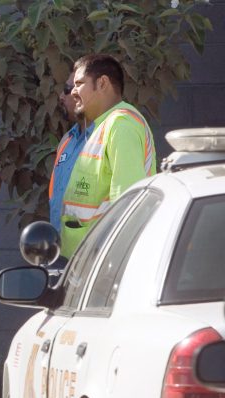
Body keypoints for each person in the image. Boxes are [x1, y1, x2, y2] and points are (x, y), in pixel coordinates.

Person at [60, 54, 156, 258]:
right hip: (86, 259)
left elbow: (127, 202)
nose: (73, 92)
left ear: (102, 83)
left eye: (79, 84)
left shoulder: (122, 125)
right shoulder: (104, 125)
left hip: (102, 259)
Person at [49, 71, 93, 234]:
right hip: (62, 247)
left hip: (93, 249)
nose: (61, 96)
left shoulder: (104, 139)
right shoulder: (67, 140)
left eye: (67, 89)